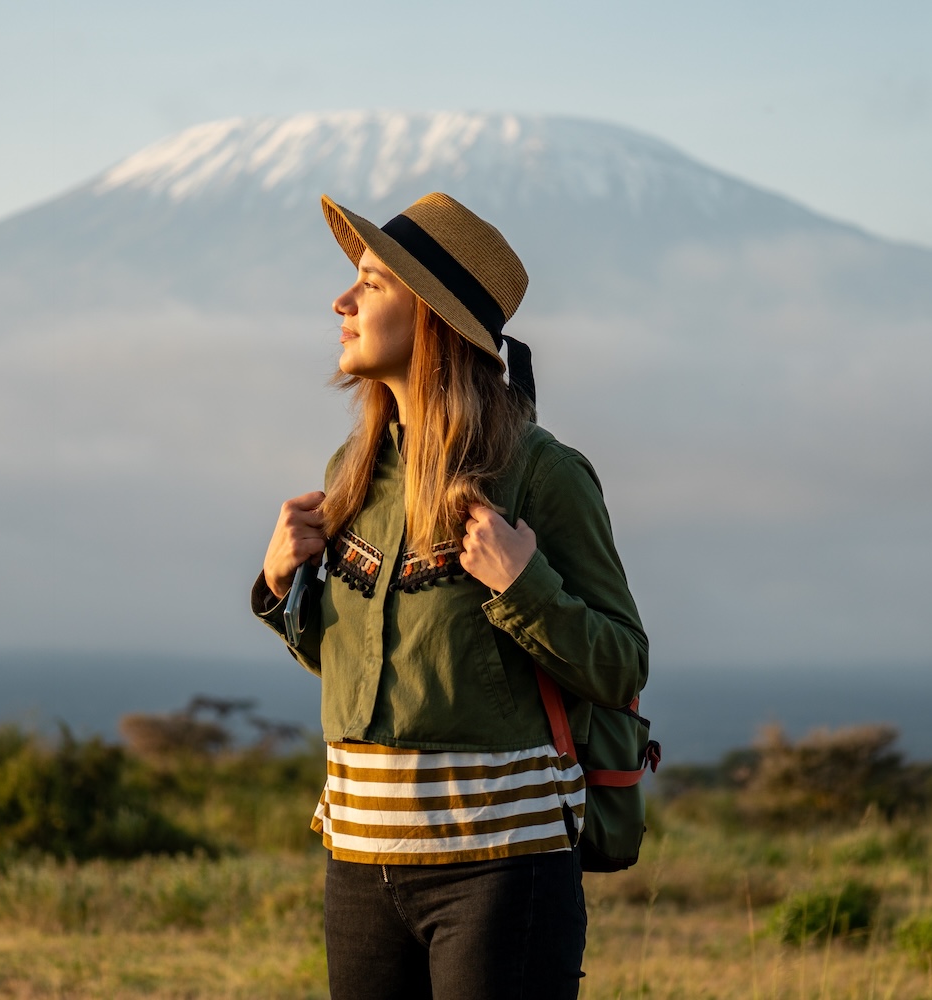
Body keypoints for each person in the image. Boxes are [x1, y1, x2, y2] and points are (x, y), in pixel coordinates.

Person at [251, 192, 648, 1000]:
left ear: (431, 316)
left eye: (371, 282)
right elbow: (370, 674)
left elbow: (621, 665)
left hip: (502, 874)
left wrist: (523, 585)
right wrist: (279, 588)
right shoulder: (351, 472)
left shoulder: (542, 473)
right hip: (359, 868)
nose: (342, 301)